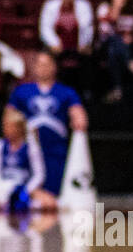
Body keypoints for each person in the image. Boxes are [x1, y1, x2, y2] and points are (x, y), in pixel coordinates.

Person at [8, 50, 88, 196]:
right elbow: (8, 119)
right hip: (28, 152)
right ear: (34, 67)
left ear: (54, 67)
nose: (43, 68)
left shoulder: (66, 92)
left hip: (56, 152)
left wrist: (78, 121)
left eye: (47, 64)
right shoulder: (22, 91)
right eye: (39, 64)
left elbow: (79, 115)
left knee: (54, 194)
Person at [0, 105, 53, 212]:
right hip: (3, 188)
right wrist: (3, 188)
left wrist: (25, 190)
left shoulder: (31, 146)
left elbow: (39, 175)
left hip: (26, 189)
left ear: (18, 128)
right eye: (4, 126)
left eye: (9, 126)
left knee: (49, 203)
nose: (5, 129)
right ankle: (8, 205)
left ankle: (18, 207)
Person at [39, 0, 94, 91]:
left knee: (89, 54)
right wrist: (54, 43)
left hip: (78, 48)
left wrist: (83, 43)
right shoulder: (50, 5)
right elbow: (45, 28)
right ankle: (52, 89)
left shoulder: (84, 5)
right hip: (57, 48)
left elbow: (88, 28)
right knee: (47, 55)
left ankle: (85, 92)